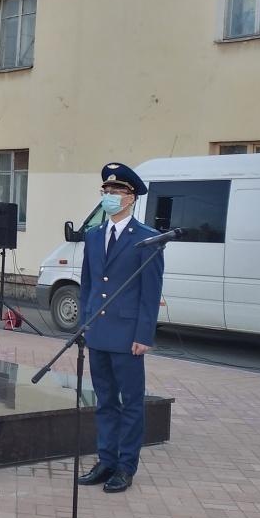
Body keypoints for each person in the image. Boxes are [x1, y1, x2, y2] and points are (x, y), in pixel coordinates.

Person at [75, 162, 165, 495]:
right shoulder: (94, 235)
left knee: (131, 403)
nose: (109, 196)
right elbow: (88, 283)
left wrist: (144, 335)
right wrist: (84, 323)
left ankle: (126, 466)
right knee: (105, 401)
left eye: (116, 191)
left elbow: (150, 291)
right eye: (106, 191)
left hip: (128, 336)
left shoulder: (147, 238)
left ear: (131, 197)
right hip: (98, 331)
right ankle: (106, 460)